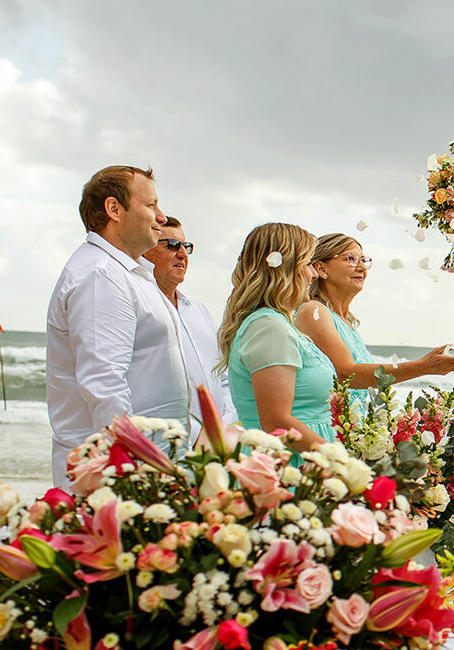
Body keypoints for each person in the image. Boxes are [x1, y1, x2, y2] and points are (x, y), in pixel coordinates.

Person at [46, 165, 190, 486]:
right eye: (151, 205)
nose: (162, 217)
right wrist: (129, 467)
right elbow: (104, 383)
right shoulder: (100, 275)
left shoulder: (128, 272)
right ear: (114, 209)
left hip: (153, 462)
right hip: (120, 471)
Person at [295, 233, 454, 413]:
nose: (361, 267)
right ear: (321, 269)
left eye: (363, 260)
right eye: (350, 259)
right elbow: (346, 374)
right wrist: (423, 366)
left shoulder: (346, 322)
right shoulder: (314, 311)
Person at [217, 223, 336, 448]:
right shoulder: (268, 326)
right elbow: (275, 422)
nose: (312, 274)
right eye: (307, 264)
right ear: (285, 269)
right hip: (288, 465)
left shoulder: (275, 323)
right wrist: (340, 463)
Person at [142, 215, 240, 436]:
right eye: (172, 245)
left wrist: (225, 423)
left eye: (186, 246)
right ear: (146, 252)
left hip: (217, 442)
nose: (182, 254)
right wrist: (198, 435)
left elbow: (223, 376)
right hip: (169, 442)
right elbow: (145, 390)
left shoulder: (198, 310)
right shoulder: (143, 310)